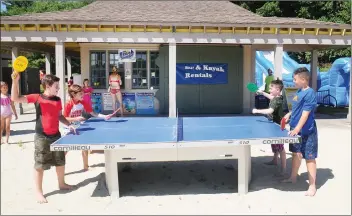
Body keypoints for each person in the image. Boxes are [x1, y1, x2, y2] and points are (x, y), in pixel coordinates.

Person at [11, 73, 76, 204]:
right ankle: (39, 192)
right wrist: (15, 82)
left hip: (56, 135)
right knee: (40, 165)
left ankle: (61, 184)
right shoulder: (37, 97)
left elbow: (59, 116)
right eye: (56, 86)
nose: (58, 88)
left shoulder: (57, 100)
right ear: (47, 85)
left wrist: (69, 124)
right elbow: (15, 98)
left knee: (60, 162)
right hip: (42, 137)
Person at [282, 67, 318, 197]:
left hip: (307, 131)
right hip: (295, 129)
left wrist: (297, 128)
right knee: (296, 153)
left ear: (303, 79)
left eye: (295, 79)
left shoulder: (310, 93)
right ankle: (293, 177)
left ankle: (312, 186)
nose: (293, 81)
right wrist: (289, 114)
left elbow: (305, 114)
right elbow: (297, 108)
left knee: (309, 157)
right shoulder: (299, 91)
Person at [63, 84, 116, 170]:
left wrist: (104, 116)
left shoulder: (83, 102)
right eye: (80, 94)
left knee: (84, 147)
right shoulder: (69, 104)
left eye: (82, 93)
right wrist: (76, 118)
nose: (82, 95)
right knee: (66, 150)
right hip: (68, 128)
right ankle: (60, 167)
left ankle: (85, 166)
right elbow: (64, 118)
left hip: (79, 127)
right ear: (74, 95)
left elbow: (93, 113)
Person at [253, 79, 286, 176]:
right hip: (274, 123)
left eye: (271, 88)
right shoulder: (277, 97)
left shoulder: (276, 100)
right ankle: (275, 160)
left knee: (281, 148)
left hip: (278, 126)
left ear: (278, 89)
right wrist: (262, 92)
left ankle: (284, 169)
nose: (270, 90)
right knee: (274, 143)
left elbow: (270, 111)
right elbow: (271, 96)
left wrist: (257, 111)